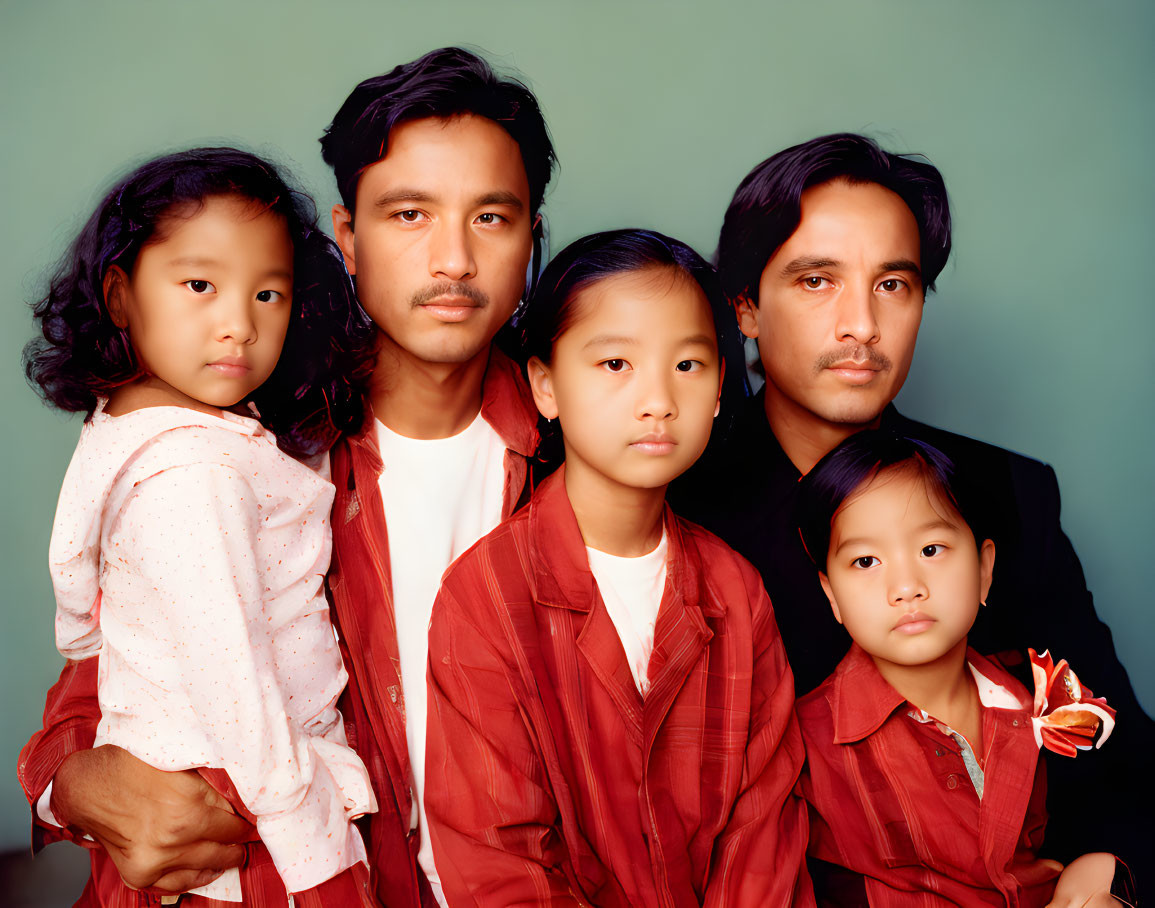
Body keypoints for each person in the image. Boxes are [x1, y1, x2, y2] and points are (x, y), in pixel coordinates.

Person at [18, 48, 556, 907]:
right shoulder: (264, 445)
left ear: (531, 238)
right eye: (409, 214)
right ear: (347, 238)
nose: (452, 259)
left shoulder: (589, 452)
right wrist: (73, 786)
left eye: (491, 218)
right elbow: (107, 669)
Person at [670, 132, 1155, 875]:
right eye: (815, 281)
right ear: (744, 308)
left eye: (892, 284)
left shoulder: (1005, 495)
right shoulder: (675, 509)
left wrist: (1110, 868)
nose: (860, 325)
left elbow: (1120, 756)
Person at [22, 147, 379, 905]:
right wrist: (316, 856)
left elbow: (86, 625)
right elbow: (233, 682)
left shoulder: (132, 431)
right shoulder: (194, 473)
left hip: (195, 771)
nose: (237, 327)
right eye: (199, 285)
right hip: (240, 804)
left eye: (268, 295)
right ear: (119, 296)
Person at [424, 229, 812, 906]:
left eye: (687, 366)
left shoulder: (735, 591)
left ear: (721, 385)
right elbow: (498, 861)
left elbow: (764, 837)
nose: (657, 399)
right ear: (544, 385)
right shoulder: (484, 594)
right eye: (613, 365)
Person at [795, 429, 1122, 906]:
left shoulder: (1037, 699)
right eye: (866, 561)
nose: (906, 586)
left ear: (984, 569)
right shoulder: (806, 741)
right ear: (832, 597)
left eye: (931, 550)